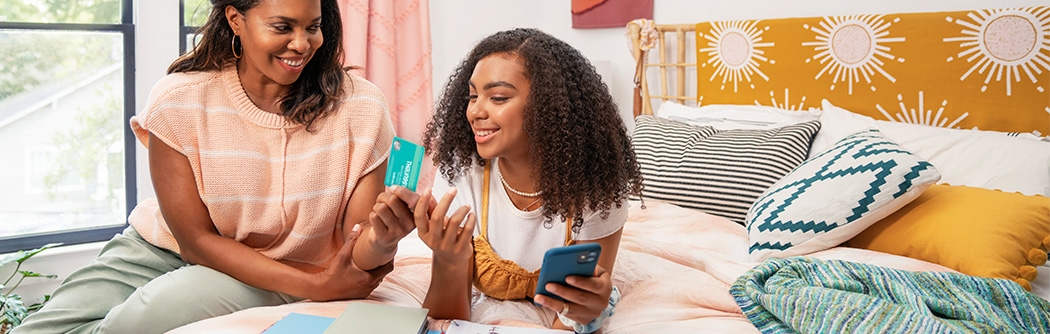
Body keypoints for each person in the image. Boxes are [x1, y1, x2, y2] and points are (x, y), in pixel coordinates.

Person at [13, 0, 415, 333]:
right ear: (236, 20)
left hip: (286, 265)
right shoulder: (180, 98)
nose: (301, 44)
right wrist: (319, 286)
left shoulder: (361, 108)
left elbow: (354, 247)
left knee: (129, 325)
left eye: (313, 26)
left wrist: (383, 237)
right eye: (282, 26)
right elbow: (195, 241)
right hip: (163, 247)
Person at [376, 28, 644, 333]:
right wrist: (449, 259)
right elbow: (447, 320)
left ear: (549, 107)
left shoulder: (598, 186)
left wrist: (585, 313)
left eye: (498, 97)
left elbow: (569, 323)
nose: (475, 111)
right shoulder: (460, 171)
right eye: (473, 95)